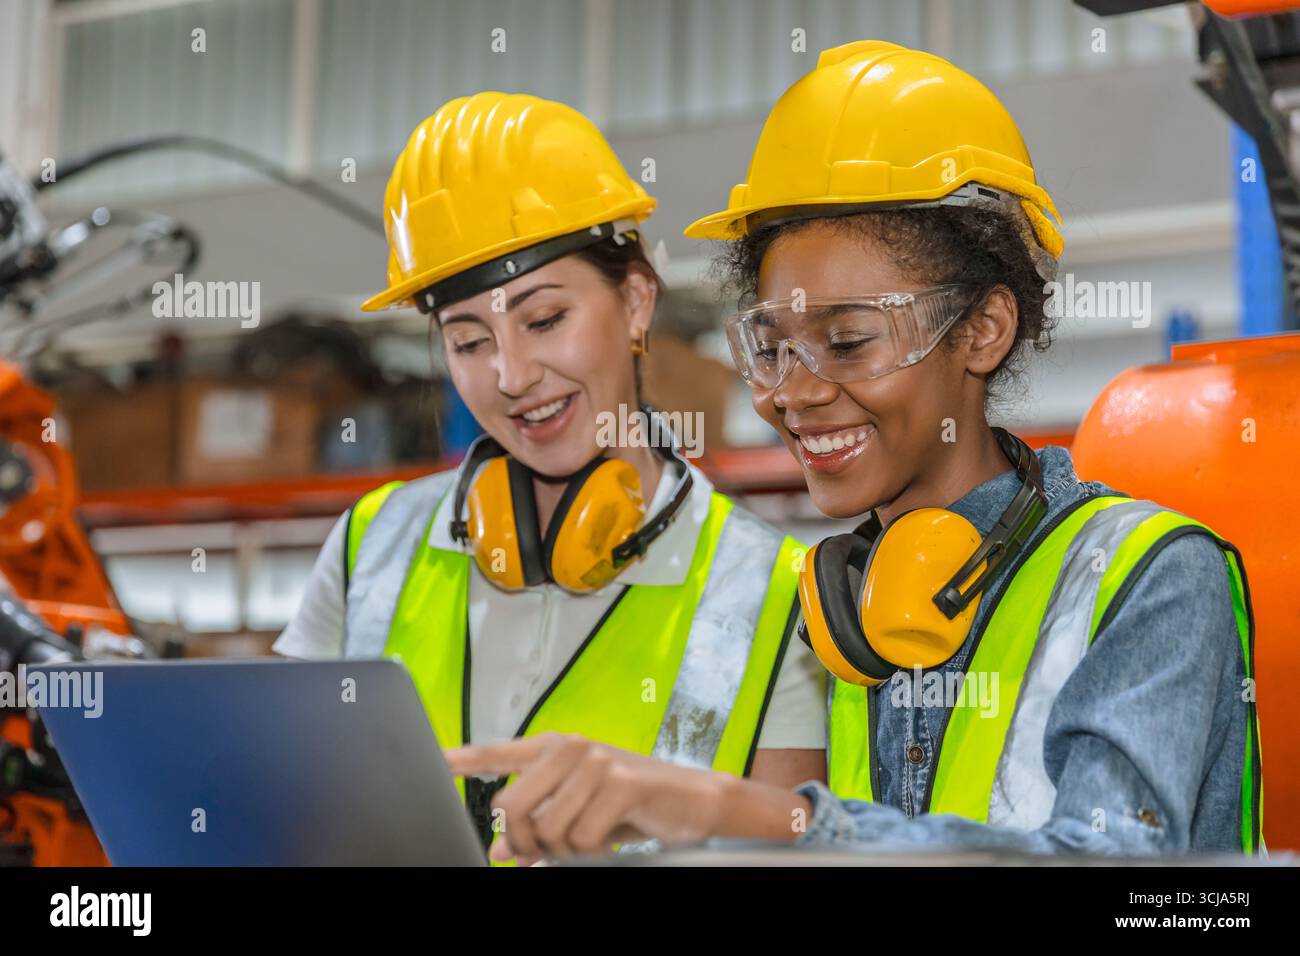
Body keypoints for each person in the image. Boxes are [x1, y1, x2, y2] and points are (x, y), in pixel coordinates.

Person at [446, 42, 1263, 862]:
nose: (789, 395)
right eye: (771, 348)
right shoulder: (839, 614)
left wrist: (764, 818)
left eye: (847, 340)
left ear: (982, 330)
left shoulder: (1147, 577)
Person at [274, 92, 826, 849]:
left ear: (635, 302)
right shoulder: (372, 543)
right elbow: (283, 809)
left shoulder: (776, 591)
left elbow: (792, 855)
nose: (511, 374)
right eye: (468, 341)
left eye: (543, 320)